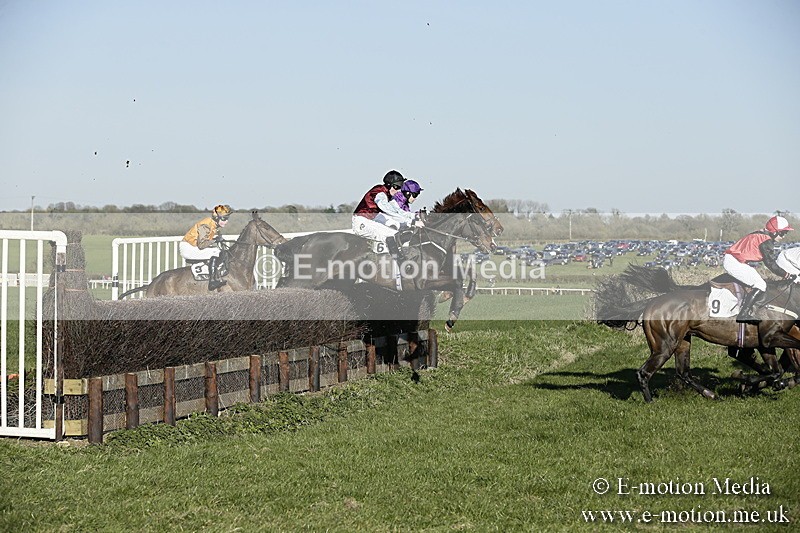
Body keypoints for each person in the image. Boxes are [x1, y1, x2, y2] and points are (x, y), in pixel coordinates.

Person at [723, 215, 795, 322]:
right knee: (761, 285)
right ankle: (743, 314)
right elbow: (770, 264)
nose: (784, 236)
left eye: (786, 233)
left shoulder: (761, 234)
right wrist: (786, 275)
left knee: (757, 279)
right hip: (734, 262)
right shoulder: (766, 240)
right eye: (782, 233)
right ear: (774, 232)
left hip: (735, 260)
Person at [353, 170, 419, 258]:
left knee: (396, 231)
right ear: (389, 185)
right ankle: (398, 260)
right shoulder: (379, 193)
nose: (398, 190)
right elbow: (389, 211)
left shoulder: (388, 195)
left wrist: (414, 216)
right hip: (361, 222)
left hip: (371, 219)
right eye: (397, 187)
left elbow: (398, 211)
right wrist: (412, 222)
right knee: (391, 235)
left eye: (399, 187)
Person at [181, 204, 232, 290]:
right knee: (216, 252)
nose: (226, 221)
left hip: (193, 246)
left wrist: (216, 239)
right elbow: (201, 245)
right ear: (217, 218)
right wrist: (215, 240)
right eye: (224, 219)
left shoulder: (213, 225)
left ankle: (214, 274)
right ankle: (212, 281)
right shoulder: (206, 224)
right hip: (188, 247)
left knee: (219, 251)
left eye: (227, 218)